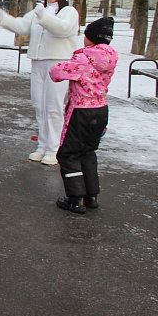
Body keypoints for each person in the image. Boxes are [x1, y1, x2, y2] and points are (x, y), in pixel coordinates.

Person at [0, 0, 80, 165]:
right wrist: (4, 19)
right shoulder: (39, 11)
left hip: (58, 63)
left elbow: (63, 30)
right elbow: (23, 26)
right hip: (38, 62)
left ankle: (53, 148)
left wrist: (44, 17)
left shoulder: (69, 12)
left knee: (53, 106)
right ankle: (42, 145)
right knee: (39, 105)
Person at [49, 17, 117, 213]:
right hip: (101, 109)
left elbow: (56, 72)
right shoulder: (110, 58)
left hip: (81, 111)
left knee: (68, 154)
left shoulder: (84, 59)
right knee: (87, 152)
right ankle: (91, 195)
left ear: (91, 37)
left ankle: (75, 198)